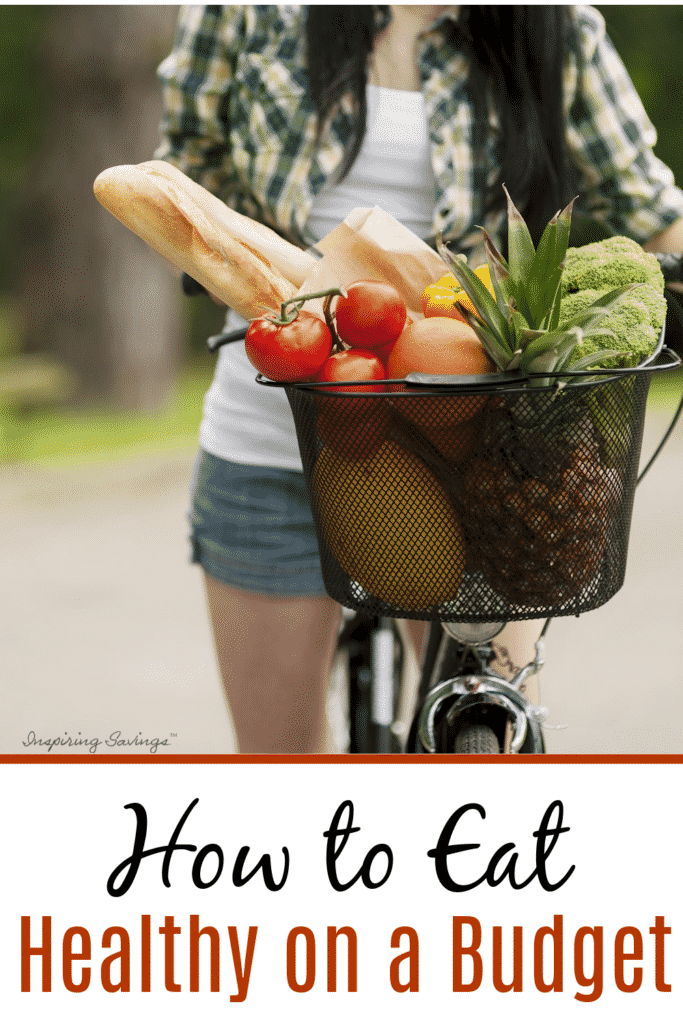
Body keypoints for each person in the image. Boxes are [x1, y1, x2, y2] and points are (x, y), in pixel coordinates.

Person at [155, 5, 683, 754]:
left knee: (490, 743)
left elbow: (652, 211)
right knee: (279, 769)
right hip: (275, 437)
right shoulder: (246, 10)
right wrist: (253, 288)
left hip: (470, 440)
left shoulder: (552, 22)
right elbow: (188, 177)